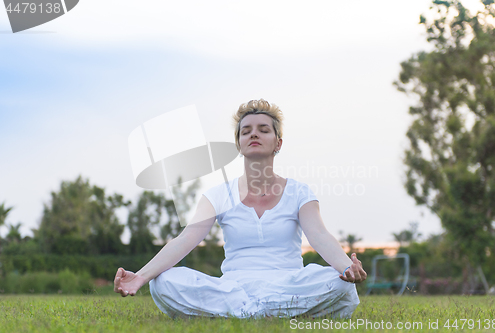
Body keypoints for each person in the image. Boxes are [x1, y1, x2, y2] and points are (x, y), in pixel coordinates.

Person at [114, 99, 367, 318]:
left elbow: (320, 236)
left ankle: (245, 313)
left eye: (263, 130)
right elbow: (186, 239)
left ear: (278, 143)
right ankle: (265, 312)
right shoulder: (218, 194)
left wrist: (346, 267)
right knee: (163, 283)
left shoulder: (299, 192)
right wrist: (142, 276)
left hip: (288, 286)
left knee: (341, 284)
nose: (253, 134)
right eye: (246, 131)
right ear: (239, 143)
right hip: (233, 290)